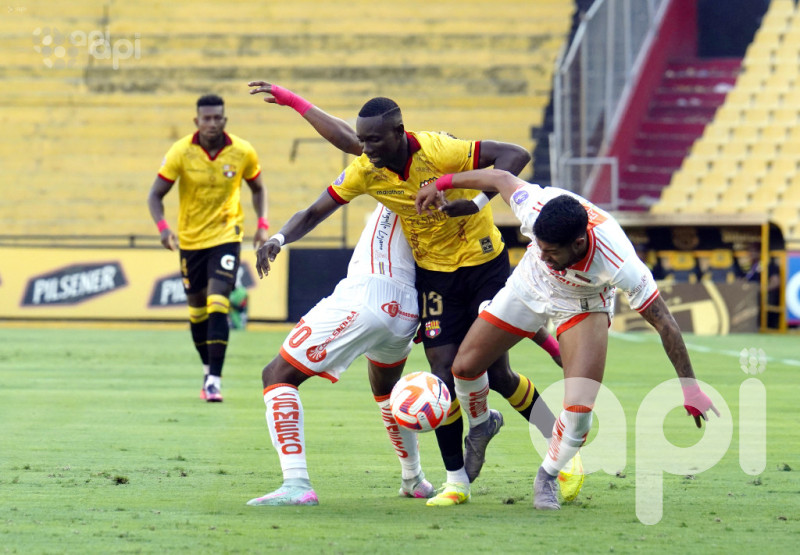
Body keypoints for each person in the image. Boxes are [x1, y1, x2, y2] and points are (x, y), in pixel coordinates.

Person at [248, 82, 582, 507]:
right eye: (363, 140)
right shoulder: (367, 170)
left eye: (374, 140)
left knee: (498, 375)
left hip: (483, 263)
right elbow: (315, 210)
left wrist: (476, 202)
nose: (366, 148)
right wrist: (278, 238)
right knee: (443, 375)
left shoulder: (439, 151)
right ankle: (456, 482)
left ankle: (564, 455)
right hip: (435, 277)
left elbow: (514, 156)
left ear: (398, 133)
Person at [415, 169, 720, 510]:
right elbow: (500, 177)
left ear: (578, 243)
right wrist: (441, 183)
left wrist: (690, 388)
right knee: (464, 368)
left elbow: (665, 323)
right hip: (529, 284)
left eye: (551, 252)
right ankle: (481, 426)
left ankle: (546, 476)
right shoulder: (534, 206)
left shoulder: (619, 261)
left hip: (583, 303)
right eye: (540, 247)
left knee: (579, 412)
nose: (545, 255)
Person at [247, 204, 437, 506]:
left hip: (368, 291)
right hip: (407, 308)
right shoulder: (441, 193)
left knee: (276, 375)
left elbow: (314, 210)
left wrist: (278, 238)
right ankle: (413, 478)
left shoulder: (395, 180)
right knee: (387, 393)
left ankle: (296, 484)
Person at [147, 94, 268, 402]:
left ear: (224, 120)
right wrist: (163, 229)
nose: (212, 123)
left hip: (227, 235)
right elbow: (155, 195)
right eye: (207, 118)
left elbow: (258, 188)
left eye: (217, 118)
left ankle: (214, 380)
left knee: (217, 302)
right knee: (197, 310)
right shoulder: (180, 151)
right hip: (190, 240)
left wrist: (262, 224)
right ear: (197, 121)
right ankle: (206, 370)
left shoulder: (242, 151)